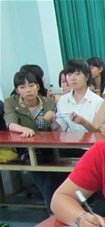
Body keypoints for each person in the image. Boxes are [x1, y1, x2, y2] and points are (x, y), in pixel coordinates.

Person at [4, 69, 63, 211]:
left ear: (37, 86)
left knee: (51, 173)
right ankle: (54, 209)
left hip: (49, 148)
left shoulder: (48, 102)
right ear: (17, 90)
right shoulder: (11, 102)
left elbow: (57, 130)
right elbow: (10, 123)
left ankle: (53, 209)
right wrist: (23, 129)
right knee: (47, 175)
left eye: (31, 85)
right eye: (22, 87)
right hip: (26, 148)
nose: (28, 90)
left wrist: (53, 120)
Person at [56, 59, 103, 132]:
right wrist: (52, 121)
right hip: (70, 139)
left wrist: (83, 122)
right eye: (69, 74)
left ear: (87, 76)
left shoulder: (98, 102)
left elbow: (101, 131)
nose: (73, 78)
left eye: (77, 74)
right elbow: (60, 128)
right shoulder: (63, 100)